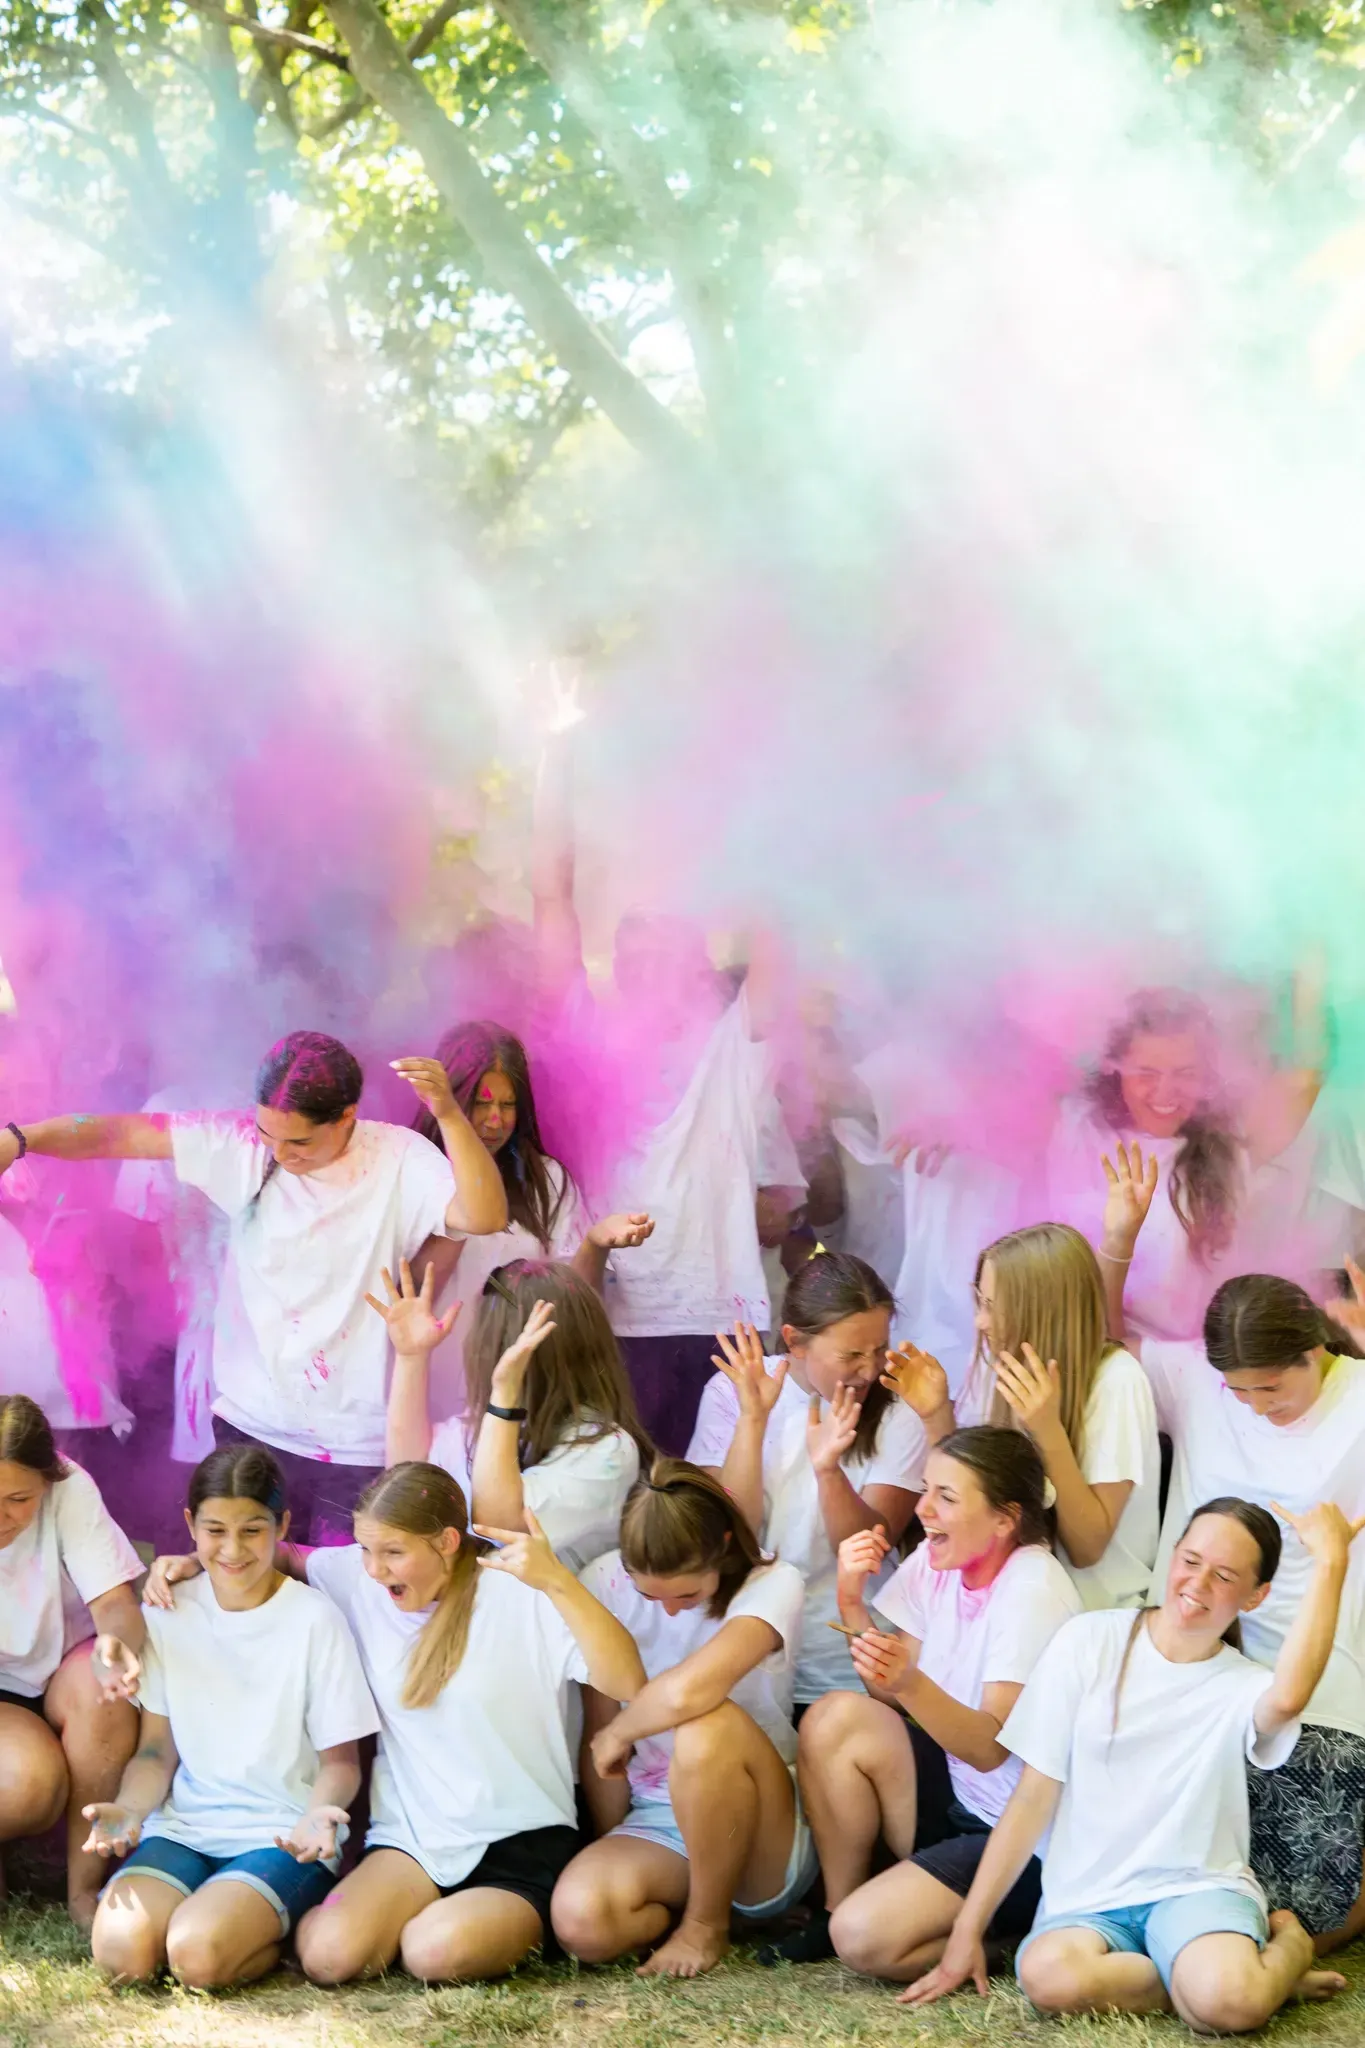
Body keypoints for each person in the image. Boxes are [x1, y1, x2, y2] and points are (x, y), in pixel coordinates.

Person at [0, 1031, 509, 1541]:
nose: (281, 1154)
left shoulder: (401, 1159)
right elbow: (114, 1135)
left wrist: (448, 1113)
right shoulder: (241, 1143)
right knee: (247, 1587)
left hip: (356, 1440)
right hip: (250, 1424)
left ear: (347, 1117)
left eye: (300, 1142)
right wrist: (21, 1139)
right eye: (270, 1134)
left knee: (340, 1591)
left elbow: (484, 1215)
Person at [903, 1499, 1362, 2030]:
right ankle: (1217, 1981)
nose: (1198, 1583)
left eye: (1225, 1575)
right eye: (1190, 1560)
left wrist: (1331, 1562)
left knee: (1229, 2008)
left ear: (1255, 1596)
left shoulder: (1245, 1684)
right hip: (1088, 1901)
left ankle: (1287, 1952)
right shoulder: (1088, 1640)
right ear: (1172, 1556)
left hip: (1195, 1890)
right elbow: (1032, 1797)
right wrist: (967, 1929)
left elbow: (1290, 1695)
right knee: (1048, 1978)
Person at [1101, 1142, 1365, 1952]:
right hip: (1205, 1680)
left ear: (1313, 1351)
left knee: (1306, 1915)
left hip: (1333, 1681)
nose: (1251, 1406)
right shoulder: (1189, 1381)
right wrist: (1119, 1240)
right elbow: (1107, 1346)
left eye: (1271, 1389)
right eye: (1236, 1390)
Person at [531, 713, 802, 1452]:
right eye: (629, 951)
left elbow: (783, 924)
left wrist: (758, 782)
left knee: (722, 1515)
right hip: (611, 1322)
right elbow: (552, 900)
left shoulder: (735, 1048)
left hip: (724, 1319)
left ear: (695, 964)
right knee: (630, 1511)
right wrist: (553, 750)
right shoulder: (587, 1038)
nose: (643, 968)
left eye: (663, 952)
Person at [780, 1428, 1080, 1970]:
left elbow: (990, 1748)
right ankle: (834, 1908)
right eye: (926, 1489)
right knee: (834, 1717)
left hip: (1019, 1836)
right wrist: (851, 1600)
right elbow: (889, 1695)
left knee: (867, 1941)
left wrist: (908, 1683)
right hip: (958, 1795)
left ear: (1005, 1519)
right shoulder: (936, 1561)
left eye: (946, 1497)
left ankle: (1013, 1941)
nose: (922, 1509)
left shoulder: (1033, 1588)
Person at [84, 1443, 378, 1988]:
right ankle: (215, 1915)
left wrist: (319, 1815)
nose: (233, 1549)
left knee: (197, 1956)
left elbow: (341, 1763)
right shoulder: (169, 1612)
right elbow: (156, 1750)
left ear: (282, 1524)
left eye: (252, 1530)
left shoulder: (315, 1620)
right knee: (121, 1956)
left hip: (284, 1836)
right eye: (216, 1530)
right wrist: (129, 1810)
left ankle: (261, 1934)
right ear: (191, 1524)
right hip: (185, 1829)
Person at [550, 1459, 814, 1979]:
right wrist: (612, 1839)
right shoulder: (602, 1580)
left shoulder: (774, 1581)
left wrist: (622, 1730)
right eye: (650, 1596)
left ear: (721, 1546)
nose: (669, 1612)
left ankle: (706, 1926)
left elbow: (694, 1689)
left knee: (704, 1722)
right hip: (658, 1818)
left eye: (688, 1595)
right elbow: (601, 1732)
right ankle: (686, 1905)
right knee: (584, 1923)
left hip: (759, 1819)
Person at [686, 1253, 925, 1703]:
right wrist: (752, 1420)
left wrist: (829, 1471)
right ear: (795, 1342)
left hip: (843, 1660)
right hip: (748, 1652)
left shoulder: (897, 1410)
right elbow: (730, 1534)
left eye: (879, 1349)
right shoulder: (730, 1391)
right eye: (851, 1354)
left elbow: (868, 1548)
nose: (870, 1369)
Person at [884, 1222, 1159, 1610]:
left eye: (993, 1307)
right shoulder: (994, 1362)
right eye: (980, 1302)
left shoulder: (1118, 1380)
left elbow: (1087, 1548)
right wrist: (935, 1414)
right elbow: (976, 1497)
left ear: (1041, 1309)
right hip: (1008, 1603)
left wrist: (1048, 1431)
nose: (980, 1322)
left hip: (1090, 1617)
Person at [1045, 983, 1326, 1343]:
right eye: (1146, 1073)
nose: (1165, 1092)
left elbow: (1308, 1070)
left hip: (1188, 1370)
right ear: (1115, 1069)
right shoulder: (1076, 1125)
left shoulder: (1228, 1145)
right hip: (1085, 1356)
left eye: (1185, 1074)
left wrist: (1316, 944)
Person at [408, 1020, 654, 1420]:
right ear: (447, 1100)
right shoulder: (412, 1170)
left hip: (523, 1402)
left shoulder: (548, 1181)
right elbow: (406, 1292)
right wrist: (466, 1211)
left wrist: (594, 1244)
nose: (494, 1120)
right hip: (430, 1402)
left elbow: (574, 1307)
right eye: (480, 1102)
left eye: (507, 1105)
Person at [380, 1256, 650, 1571]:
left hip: (553, 1617)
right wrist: (411, 1358)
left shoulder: (609, 1450)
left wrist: (505, 1398)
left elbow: (501, 1526)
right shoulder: (483, 1427)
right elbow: (407, 1478)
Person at [0, 1394, 144, 1927]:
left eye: (18, 1498)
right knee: (28, 1785)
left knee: (105, 1693)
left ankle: (84, 1887)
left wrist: (116, 1644)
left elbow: (115, 1605)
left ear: (49, 1479)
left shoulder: (72, 1486)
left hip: (64, 1661)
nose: (1, 1517)